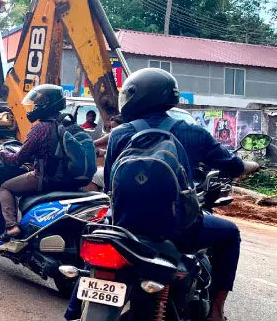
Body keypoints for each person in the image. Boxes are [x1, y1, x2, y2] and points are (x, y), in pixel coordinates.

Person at [65, 68, 258, 321]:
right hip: (178, 230)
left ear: (135, 97)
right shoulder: (193, 132)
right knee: (231, 234)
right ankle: (217, 311)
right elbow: (232, 165)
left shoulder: (120, 134)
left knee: (97, 252)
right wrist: (250, 166)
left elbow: (111, 182)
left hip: (124, 226)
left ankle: (71, 314)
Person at [0, 84, 69, 239]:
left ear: (47, 104)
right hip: (63, 178)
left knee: (5, 188)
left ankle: (11, 227)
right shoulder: (64, 125)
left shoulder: (39, 129)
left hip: (43, 178)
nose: (35, 106)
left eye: (39, 103)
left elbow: (17, 159)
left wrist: (0, 152)